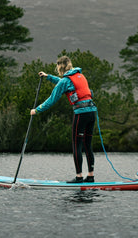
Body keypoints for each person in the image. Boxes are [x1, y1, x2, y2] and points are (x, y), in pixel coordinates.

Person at [30, 55, 98, 183]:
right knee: (87, 145)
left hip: (81, 114)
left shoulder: (65, 81)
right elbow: (65, 84)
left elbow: (52, 99)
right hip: (92, 113)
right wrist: (48, 77)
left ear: (60, 67)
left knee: (76, 145)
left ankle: (79, 177)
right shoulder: (80, 76)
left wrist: (36, 110)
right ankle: (90, 176)